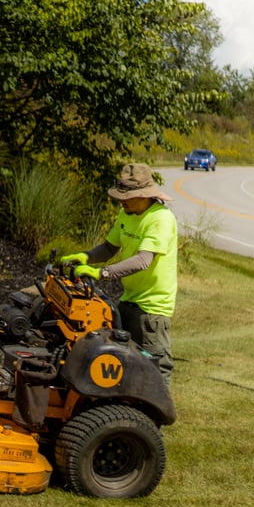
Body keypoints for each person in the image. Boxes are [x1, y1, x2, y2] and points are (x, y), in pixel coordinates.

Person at [63, 163, 178, 388]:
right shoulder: (127, 212)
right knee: (123, 362)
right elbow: (109, 248)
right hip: (129, 301)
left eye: (127, 196)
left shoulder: (160, 219)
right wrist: (86, 257)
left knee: (154, 367)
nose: (121, 201)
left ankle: (153, 422)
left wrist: (101, 273)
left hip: (152, 309)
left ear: (144, 195)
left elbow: (143, 260)